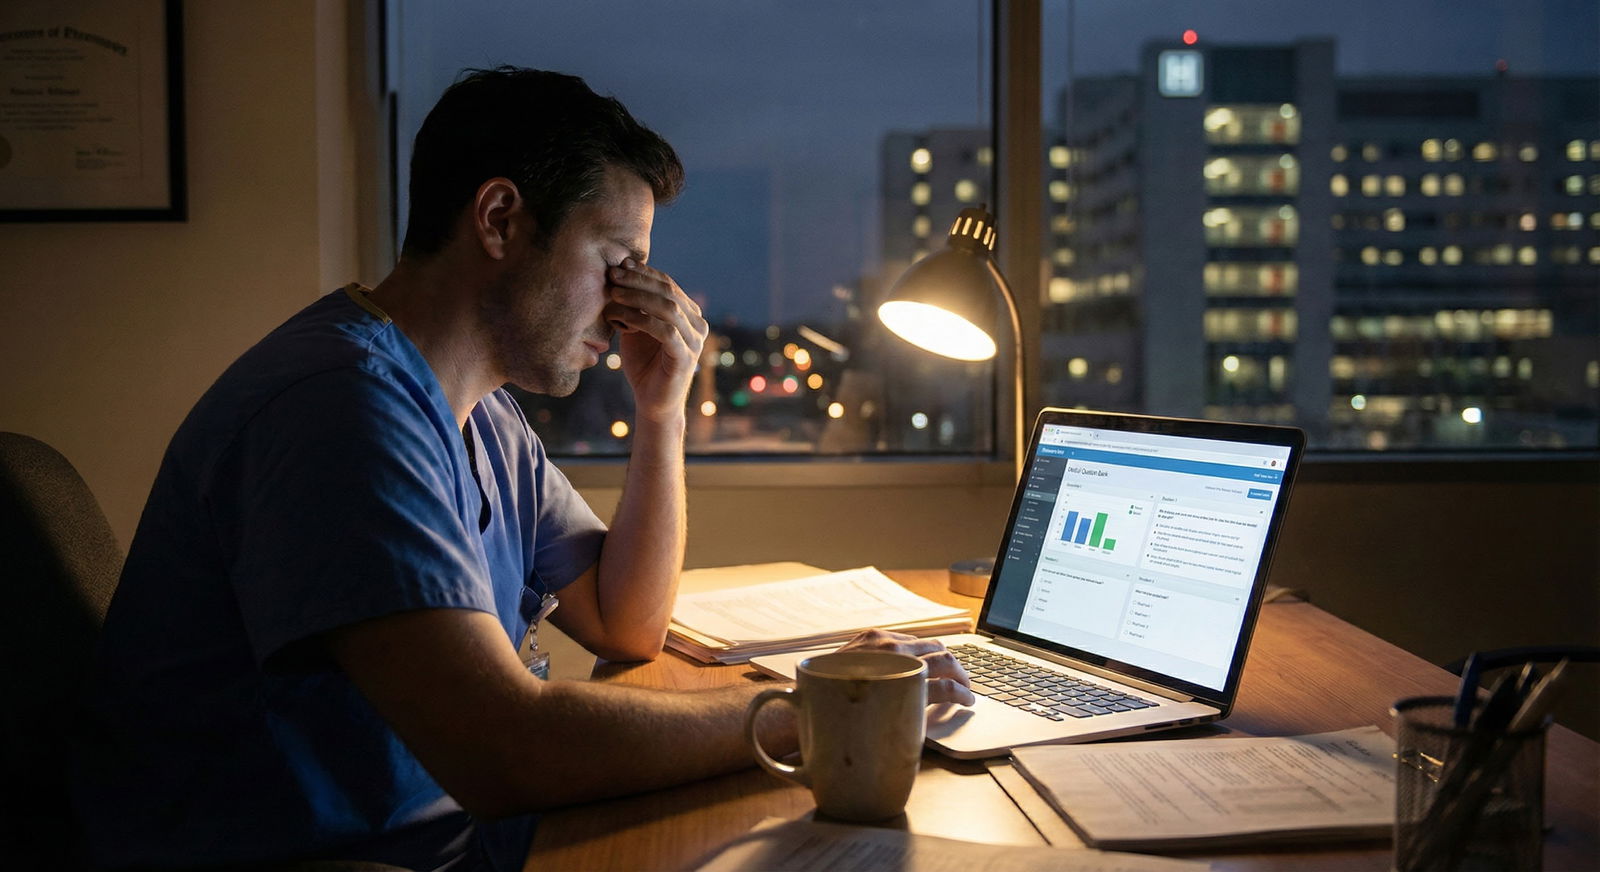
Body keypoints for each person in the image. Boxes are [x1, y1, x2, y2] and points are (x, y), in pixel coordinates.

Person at [71, 67, 973, 871]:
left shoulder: (483, 413)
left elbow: (625, 622)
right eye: (618, 264)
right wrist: (817, 712)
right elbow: (507, 749)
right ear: (501, 219)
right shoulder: (339, 408)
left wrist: (660, 415)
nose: (633, 308)